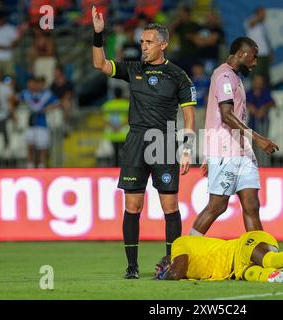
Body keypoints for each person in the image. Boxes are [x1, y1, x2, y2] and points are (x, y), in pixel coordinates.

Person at [92, 6, 196, 279]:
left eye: (149, 42)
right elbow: (100, 65)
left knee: (170, 207)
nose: (143, 46)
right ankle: (132, 267)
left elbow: (188, 116)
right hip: (136, 140)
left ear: (163, 45)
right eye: (141, 42)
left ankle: (172, 263)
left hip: (163, 142)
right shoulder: (133, 69)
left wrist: (186, 149)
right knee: (133, 207)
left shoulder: (178, 76)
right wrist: (97, 35)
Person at [189, 37, 279, 237]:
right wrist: (258, 139)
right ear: (241, 54)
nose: (255, 63)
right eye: (253, 58)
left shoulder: (234, 77)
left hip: (241, 151)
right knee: (217, 206)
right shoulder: (224, 77)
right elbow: (226, 115)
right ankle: (184, 251)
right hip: (224, 151)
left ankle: (264, 257)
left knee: (252, 205)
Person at [154, 230, 283, 281]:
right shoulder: (187, 264)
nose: (162, 266)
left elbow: (177, 271)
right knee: (251, 275)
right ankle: (279, 276)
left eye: (162, 264)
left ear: (167, 260)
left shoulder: (179, 244)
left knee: (270, 260)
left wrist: (162, 276)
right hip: (234, 269)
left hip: (245, 245)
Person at [19, 77, 59, 168]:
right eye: (29, 84)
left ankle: (42, 166)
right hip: (30, 124)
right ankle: (30, 166)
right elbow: (15, 99)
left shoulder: (46, 94)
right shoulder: (26, 94)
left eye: (33, 83)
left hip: (42, 124)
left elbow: (57, 103)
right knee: (30, 146)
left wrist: (48, 108)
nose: (31, 86)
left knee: (42, 148)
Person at [246, 74, 275, 167]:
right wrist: (250, 107)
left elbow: (272, 102)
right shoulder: (249, 93)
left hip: (264, 123)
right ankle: (253, 167)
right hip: (251, 124)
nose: (258, 84)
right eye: (256, 82)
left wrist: (264, 107)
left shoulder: (265, 92)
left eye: (260, 82)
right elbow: (244, 101)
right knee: (251, 147)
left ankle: (265, 166)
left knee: (264, 145)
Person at [244, 7, 274, 88]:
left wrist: (271, 52)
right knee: (256, 77)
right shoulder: (250, 21)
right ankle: (254, 95)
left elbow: (267, 39)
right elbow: (251, 23)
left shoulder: (264, 24)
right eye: (263, 13)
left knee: (265, 76)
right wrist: (259, 18)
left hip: (265, 55)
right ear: (257, 13)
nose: (265, 15)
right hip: (256, 55)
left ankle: (265, 95)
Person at [101, 87, 130, 167]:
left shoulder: (107, 105)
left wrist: (114, 127)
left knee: (114, 154)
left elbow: (104, 119)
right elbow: (129, 118)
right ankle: (124, 168)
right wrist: (119, 126)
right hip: (123, 133)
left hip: (112, 133)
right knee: (125, 153)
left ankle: (115, 168)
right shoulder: (126, 104)